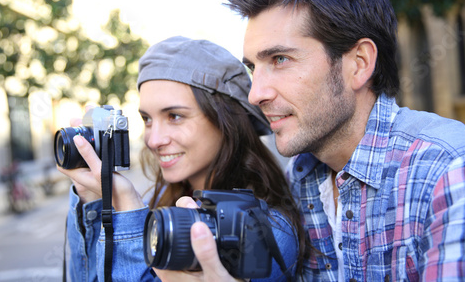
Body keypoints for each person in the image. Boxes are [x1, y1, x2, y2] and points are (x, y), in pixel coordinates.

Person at [157, 0, 465, 282]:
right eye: (253, 68)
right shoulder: (300, 180)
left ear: (358, 64)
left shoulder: (447, 172)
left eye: (280, 59)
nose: (255, 94)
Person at [57, 36, 308, 281]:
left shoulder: (264, 229)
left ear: (227, 122)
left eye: (175, 116)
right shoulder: (160, 199)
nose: (154, 140)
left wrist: (125, 203)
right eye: (147, 119)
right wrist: (91, 198)